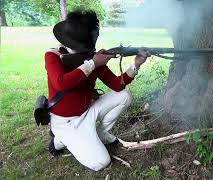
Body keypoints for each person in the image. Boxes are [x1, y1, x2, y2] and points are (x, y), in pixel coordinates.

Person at [45, 10, 150, 171]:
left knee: (124, 96)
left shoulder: (92, 57)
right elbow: (61, 84)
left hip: (88, 111)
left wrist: (136, 64)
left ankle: (99, 134)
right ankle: (59, 140)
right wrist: (92, 64)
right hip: (66, 122)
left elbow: (117, 85)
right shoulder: (53, 56)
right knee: (101, 162)